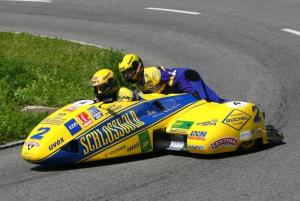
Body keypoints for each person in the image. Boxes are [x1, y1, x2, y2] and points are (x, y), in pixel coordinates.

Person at [118, 53, 226, 103]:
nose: (128, 76)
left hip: (188, 78)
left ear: (138, 67)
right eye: (125, 74)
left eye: (129, 72)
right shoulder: (139, 83)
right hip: (178, 87)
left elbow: (178, 78)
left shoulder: (152, 74)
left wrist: (191, 93)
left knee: (208, 101)